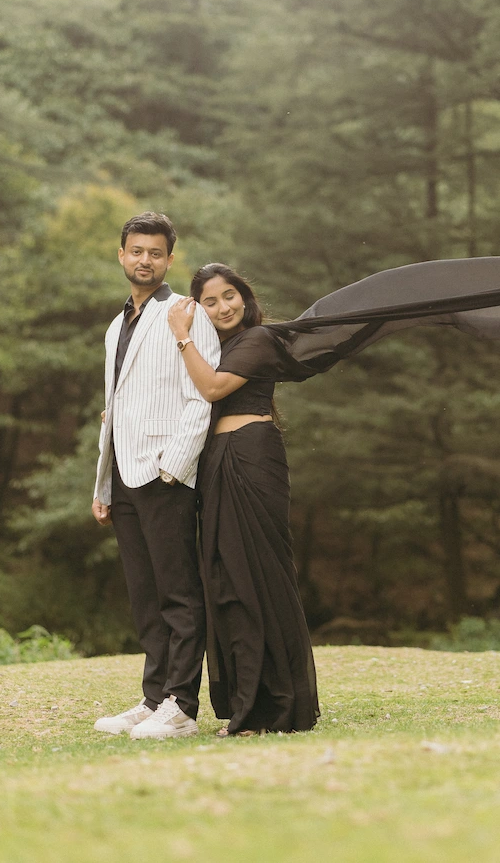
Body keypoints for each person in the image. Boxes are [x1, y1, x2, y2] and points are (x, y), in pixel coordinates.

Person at [167, 263, 326, 735]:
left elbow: (213, 388)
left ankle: (277, 706)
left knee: (258, 575)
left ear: (245, 296)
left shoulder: (257, 340)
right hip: (216, 461)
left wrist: (182, 335)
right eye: (210, 302)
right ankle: (247, 704)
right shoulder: (214, 347)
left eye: (229, 296)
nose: (223, 307)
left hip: (251, 457)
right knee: (227, 581)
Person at [92, 213, 220, 741]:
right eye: (136, 250)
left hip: (165, 473)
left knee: (178, 592)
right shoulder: (115, 325)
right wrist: (102, 485)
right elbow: (113, 407)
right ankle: (153, 698)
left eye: (155, 252)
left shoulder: (186, 314)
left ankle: (182, 705)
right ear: (121, 255)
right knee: (145, 593)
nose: (145, 259)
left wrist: (174, 467)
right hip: (123, 475)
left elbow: (202, 397)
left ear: (170, 259)